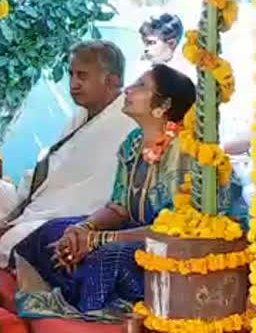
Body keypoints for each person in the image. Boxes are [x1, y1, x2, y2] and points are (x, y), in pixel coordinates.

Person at [13, 65, 199, 320]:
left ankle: (93, 310)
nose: (128, 89)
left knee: (107, 257)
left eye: (140, 85)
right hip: (132, 233)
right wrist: (83, 230)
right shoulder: (134, 142)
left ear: (163, 104)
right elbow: (118, 208)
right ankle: (70, 291)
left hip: (171, 250)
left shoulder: (182, 152)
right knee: (51, 232)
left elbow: (173, 232)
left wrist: (97, 240)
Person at [0, 41, 137, 268]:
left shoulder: (123, 125)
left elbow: (84, 198)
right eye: (71, 74)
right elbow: (50, 174)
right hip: (38, 205)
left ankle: (0, 251)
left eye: (83, 76)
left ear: (112, 81)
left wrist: (13, 224)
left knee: (21, 235)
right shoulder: (81, 115)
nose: (73, 84)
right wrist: (9, 218)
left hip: (69, 218)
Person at [139, 14, 194, 78]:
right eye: (144, 43)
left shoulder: (180, 71)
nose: (146, 49)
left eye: (151, 43)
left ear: (171, 43)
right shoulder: (145, 65)